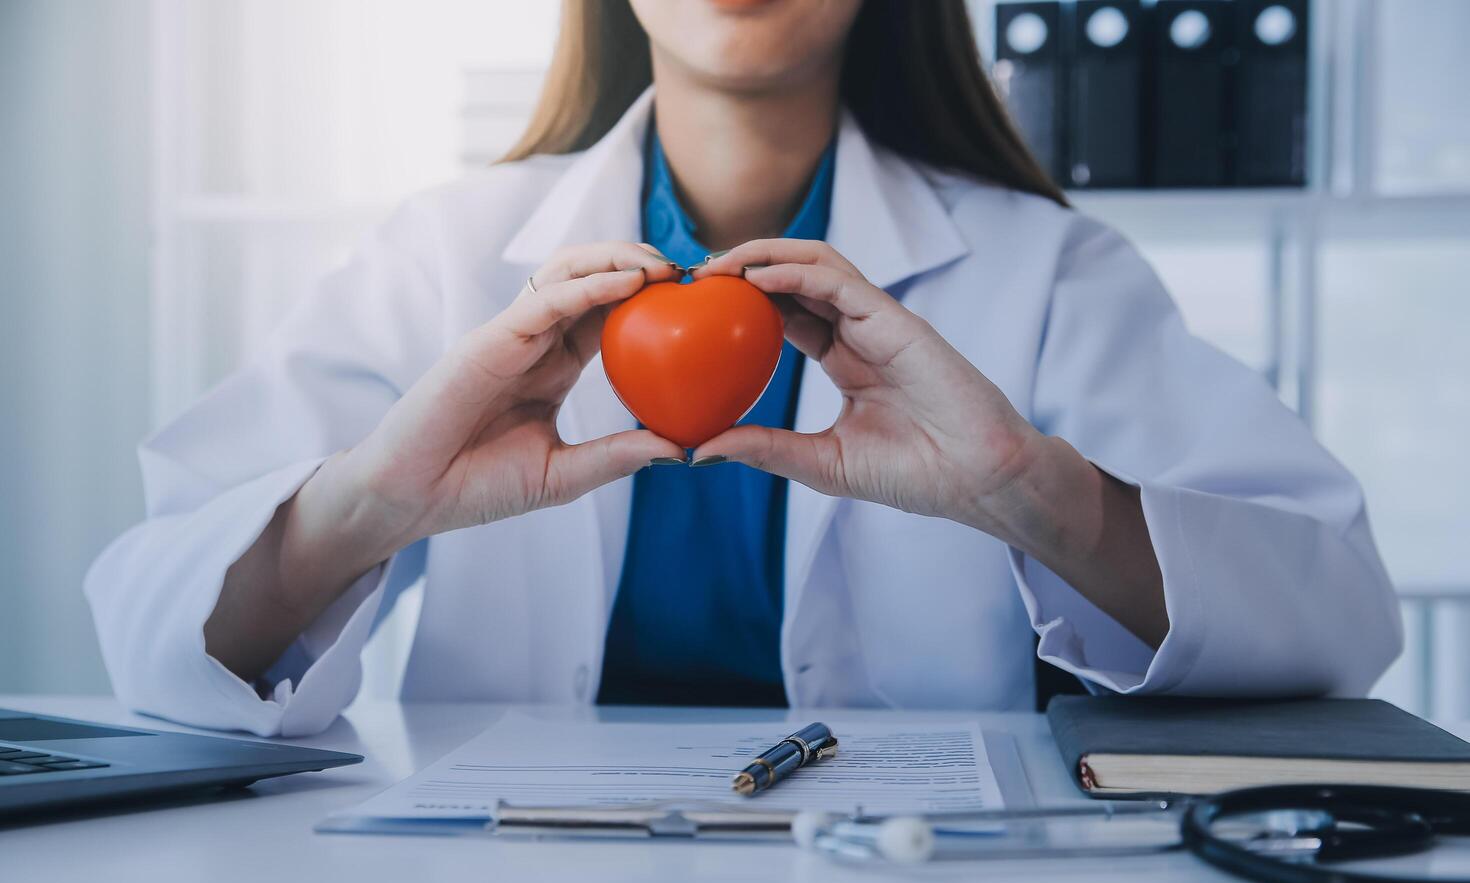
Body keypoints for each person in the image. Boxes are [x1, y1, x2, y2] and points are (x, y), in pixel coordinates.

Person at [86, 0, 1401, 737]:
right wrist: (370, 508)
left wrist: (1024, 490)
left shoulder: (1051, 269)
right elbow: (153, 634)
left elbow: (1338, 613)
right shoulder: (445, 251)